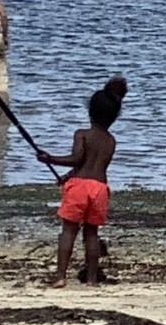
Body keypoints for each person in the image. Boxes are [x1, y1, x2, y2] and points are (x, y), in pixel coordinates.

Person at [34, 75, 128, 288]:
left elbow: (77, 159)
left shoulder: (82, 134)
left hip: (79, 188)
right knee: (92, 234)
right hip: (99, 188)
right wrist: (68, 176)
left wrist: (50, 159)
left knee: (68, 231)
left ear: (90, 111)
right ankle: (93, 280)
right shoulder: (111, 141)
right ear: (114, 116)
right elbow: (91, 164)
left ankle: (60, 276)